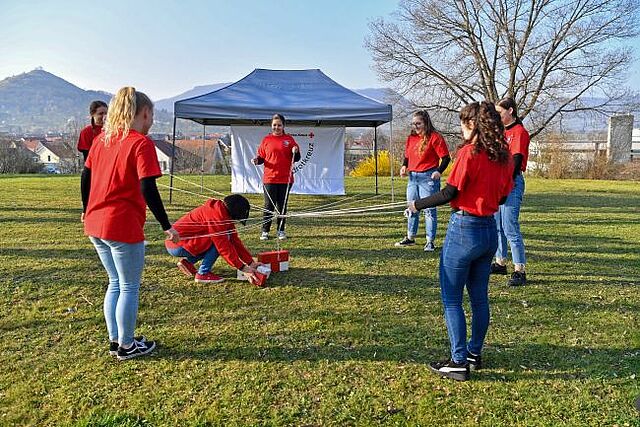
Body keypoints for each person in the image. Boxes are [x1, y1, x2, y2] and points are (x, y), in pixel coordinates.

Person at [407, 101, 513, 381]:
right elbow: (502, 196)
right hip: (489, 230)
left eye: (463, 123)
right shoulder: (503, 156)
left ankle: (457, 361)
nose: (460, 128)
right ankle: (474, 353)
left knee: (452, 298)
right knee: (479, 297)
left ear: (473, 124)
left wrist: (417, 205)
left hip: (465, 229)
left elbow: (449, 193)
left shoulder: (469, 153)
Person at [81, 87, 179, 361]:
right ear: (145, 114)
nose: (151, 122)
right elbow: (148, 186)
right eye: (151, 116)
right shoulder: (140, 143)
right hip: (120, 225)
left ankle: (117, 339)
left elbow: (85, 176)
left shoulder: (102, 140)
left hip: (95, 224)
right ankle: (126, 345)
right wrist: (165, 224)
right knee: (128, 286)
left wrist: (85, 208)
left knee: (115, 282)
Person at [165, 194, 263, 284]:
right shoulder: (217, 217)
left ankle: (188, 263)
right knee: (219, 242)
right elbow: (223, 247)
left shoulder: (221, 211)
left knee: (225, 238)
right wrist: (242, 267)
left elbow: (235, 240)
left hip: (179, 243)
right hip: (177, 244)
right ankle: (202, 274)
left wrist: (250, 262)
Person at [395, 110, 450, 251]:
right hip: (413, 177)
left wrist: (439, 171)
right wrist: (404, 166)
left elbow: (445, 157)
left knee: (429, 210)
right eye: (413, 124)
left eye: (418, 123)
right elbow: (407, 157)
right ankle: (410, 237)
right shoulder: (411, 138)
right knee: (412, 207)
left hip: (428, 177)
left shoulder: (435, 137)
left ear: (426, 123)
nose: (415, 126)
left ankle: (430, 241)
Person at [491, 97, 530, 286]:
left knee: (510, 227)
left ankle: (519, 270)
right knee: (497, 225)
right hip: (498, 182)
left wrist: (505, 185)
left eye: (500, 112)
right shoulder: (501, 132)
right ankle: (500, 262)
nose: (498, 116)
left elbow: (515, 162)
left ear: (511, 111)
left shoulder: (519, 132)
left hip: (511, 182)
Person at [251, 114, 301, 241]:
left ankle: (281, 230)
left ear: (283, 126)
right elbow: (261, 157)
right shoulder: (266, 140)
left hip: (285, 179)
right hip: (270, 179)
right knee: (269, 205)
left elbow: (297, 158)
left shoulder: (289, 139)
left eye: (279, 125)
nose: (276, 127)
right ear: (271, 126)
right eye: (274, 125)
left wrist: (295, 150)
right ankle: (265, 231)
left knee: (282, 206)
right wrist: (257, 160)